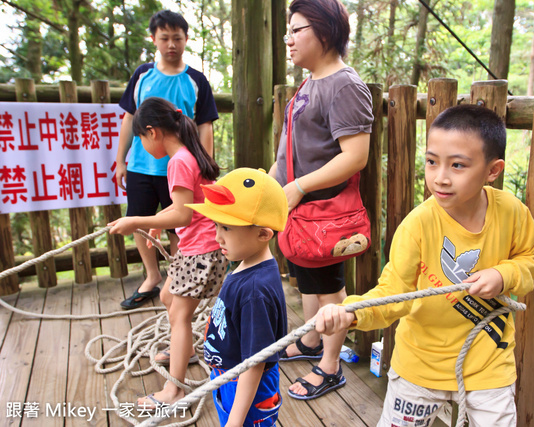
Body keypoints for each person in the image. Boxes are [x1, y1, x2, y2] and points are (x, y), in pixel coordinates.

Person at [315, 104, 534, 427]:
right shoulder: (417, 225)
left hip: (488, 364)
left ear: (493, 171)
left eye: (458, 166)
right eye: (432, 162)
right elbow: (394, 292)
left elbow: (531, 257)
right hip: (420, 365)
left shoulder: (512, 213)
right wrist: (352, 312)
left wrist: (503, 274)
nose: (440, 178)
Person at [268, 0, 374, 400]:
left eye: (296, 31)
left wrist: (298, 187)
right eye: (287, 32)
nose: (289, 40)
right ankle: (312, 341)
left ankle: (330, 365)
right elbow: (288, 152)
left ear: (325, 33)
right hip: (301, 211)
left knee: (330, 291)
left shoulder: (345, 84)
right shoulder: (310, 83)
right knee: (308, 282)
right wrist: (270, 185)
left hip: (326, 215)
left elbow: (355, 156)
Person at [108, 97, 228, 408]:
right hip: (196, 248)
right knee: (166, 297)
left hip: (201, 251)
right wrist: (160, 225)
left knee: (179, 316)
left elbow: (182, 216)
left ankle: (172, 390)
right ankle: (184, 351)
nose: (141, 146)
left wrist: (138, 220)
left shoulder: (177, 162)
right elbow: (184, 208)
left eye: (140, 139)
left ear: (153, 132)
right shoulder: (188, 154)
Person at [115, 9, 218, 310]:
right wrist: (121, 161)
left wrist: (204, 166)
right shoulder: (142, 75)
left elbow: (205, 125)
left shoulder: (196, 79)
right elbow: (129, 119)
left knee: (178, 225)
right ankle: (152, 277)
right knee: (143, 220)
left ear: (186, 39)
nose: (171, 44)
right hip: (142, 167)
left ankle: (181, 281)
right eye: (165, 38)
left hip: (180, 167)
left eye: (177, 38)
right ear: (154, 39)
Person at [187, 168, 288, 427]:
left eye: (226, 228)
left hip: (245, 387)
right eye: (216, 225)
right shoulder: (247, 263)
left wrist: (234, 421)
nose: (217, 236)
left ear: (263, 234)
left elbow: (255, 364)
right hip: (230, 376)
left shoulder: (255, 292)